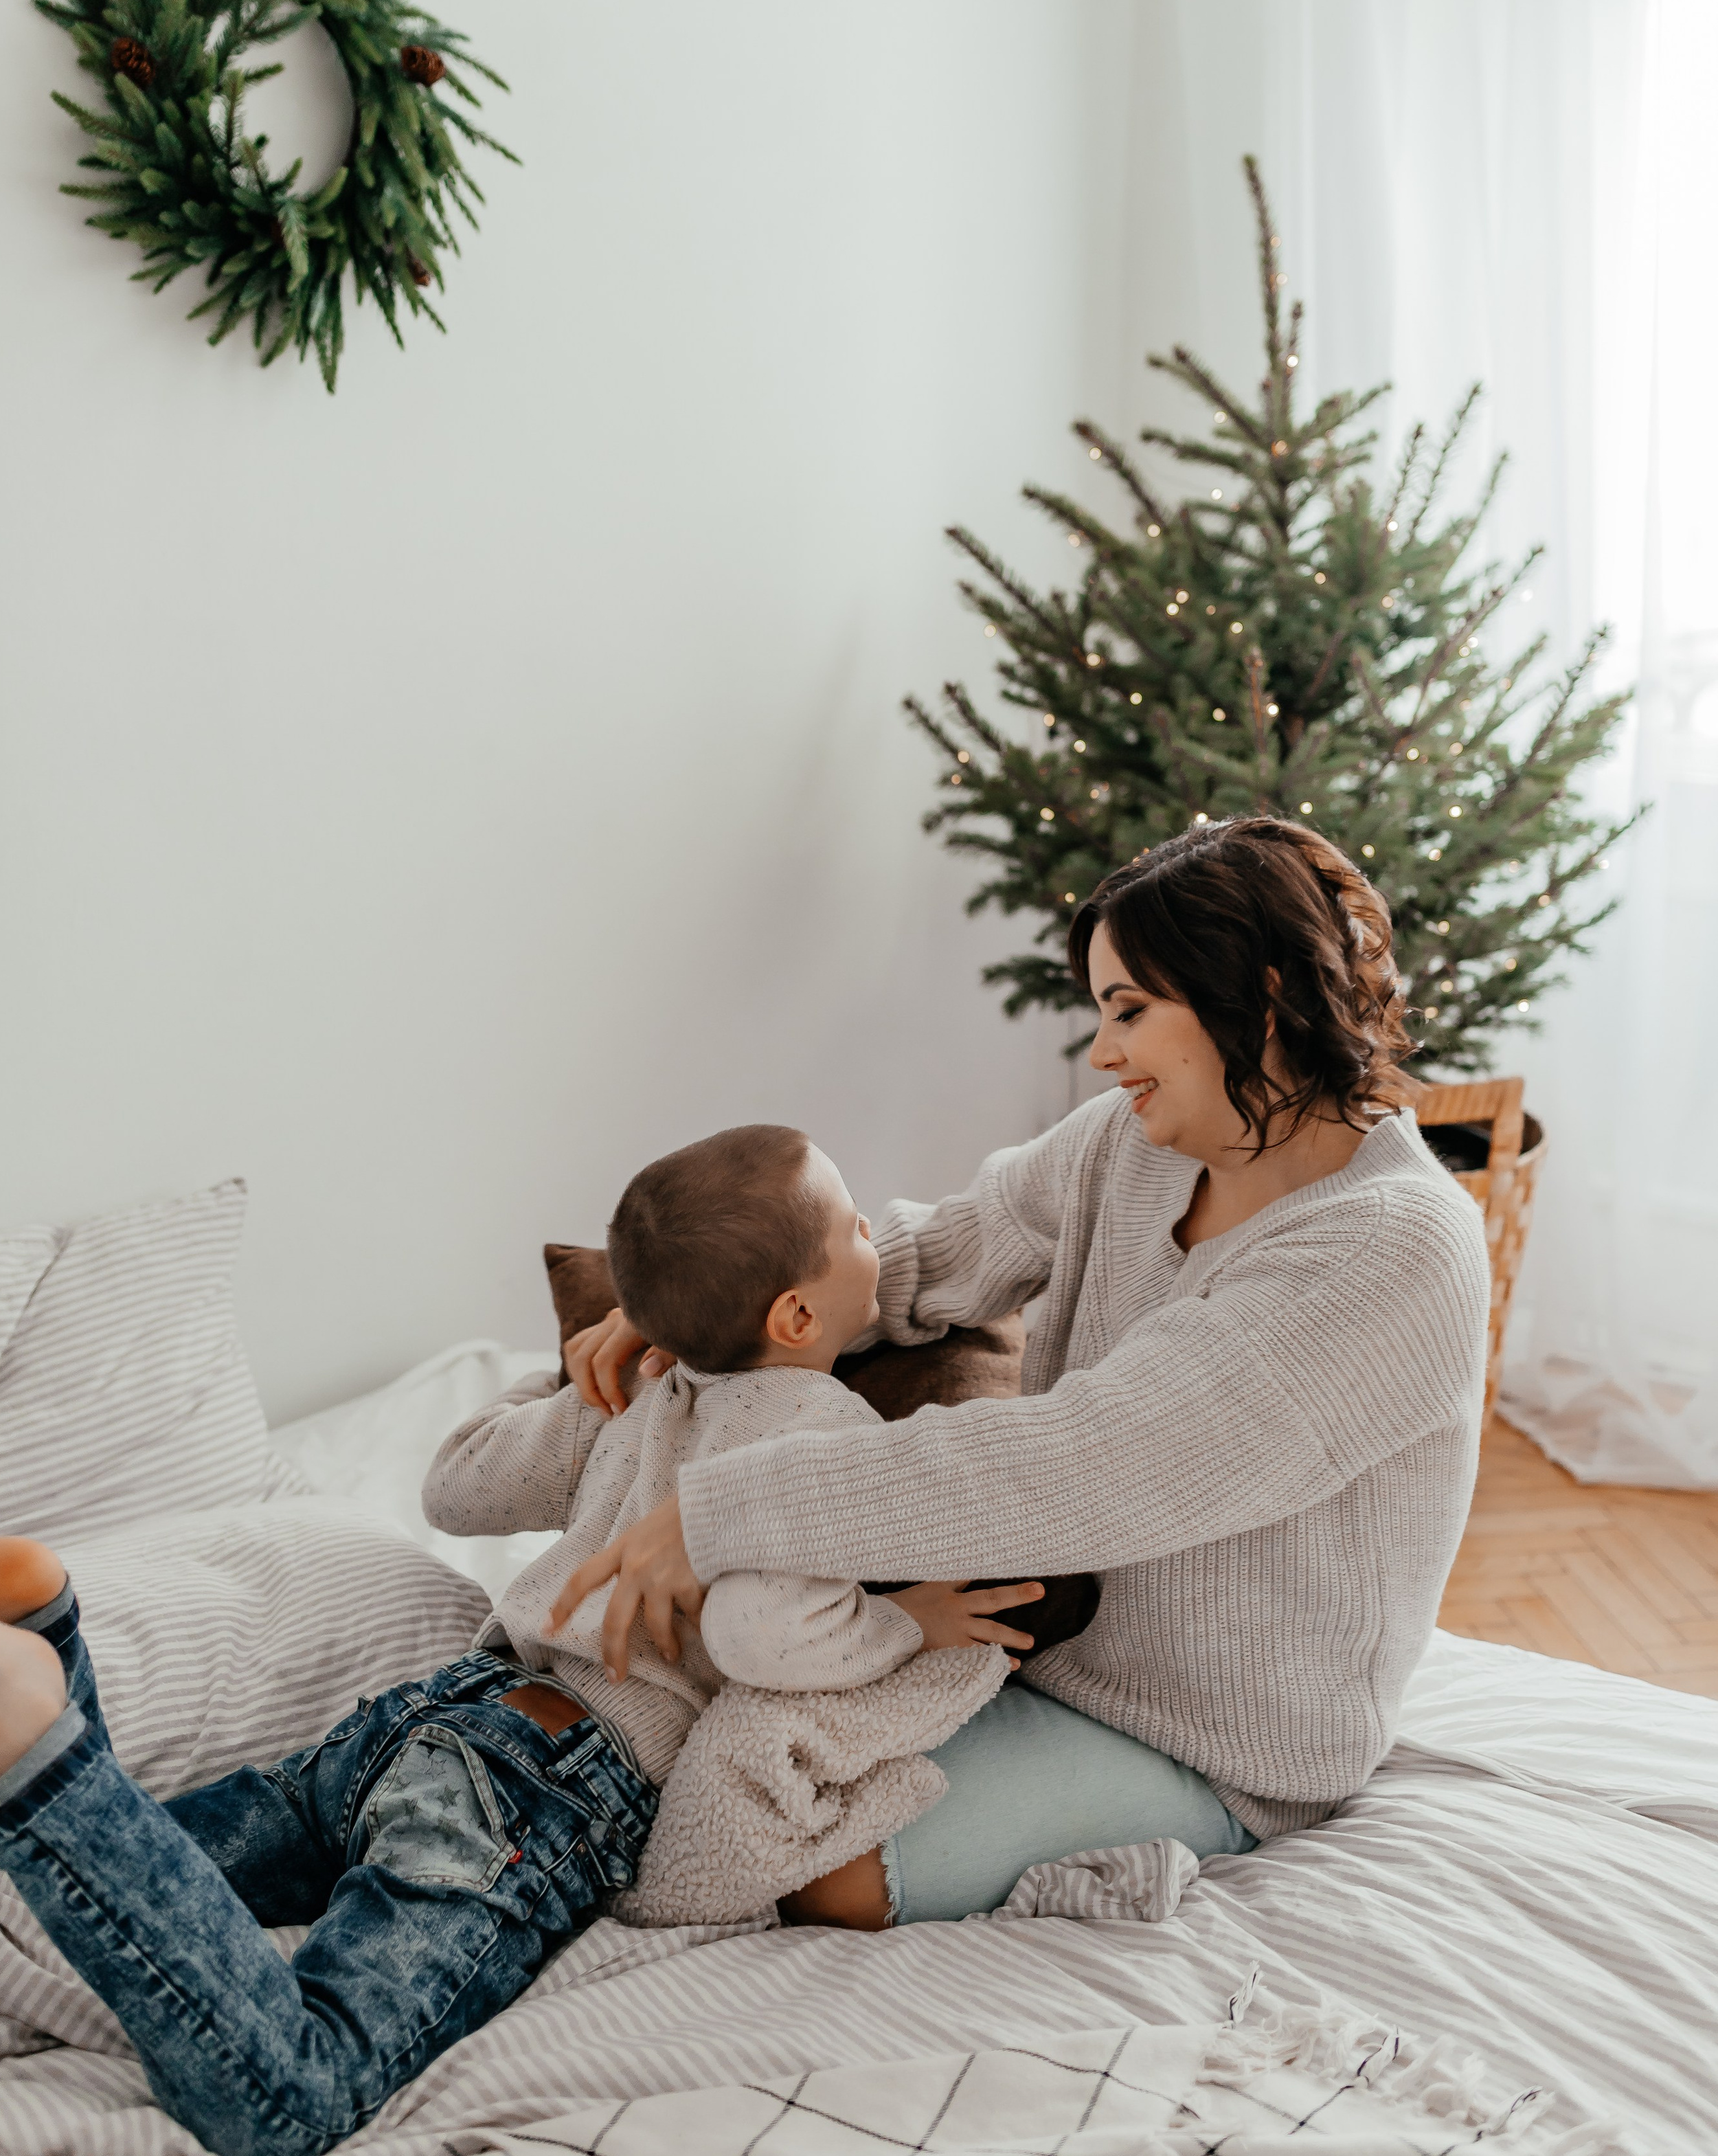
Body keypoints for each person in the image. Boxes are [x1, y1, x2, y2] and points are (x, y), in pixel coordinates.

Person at [0, 1126, 1032, 2156]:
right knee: (294, 2095)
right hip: (544, 1789)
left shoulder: (645, 1392)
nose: (873, 1237)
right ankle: (34, 1731)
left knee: (25, 1919)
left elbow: (459, 1487)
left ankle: (51, 1634)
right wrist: (909, 1623)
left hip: (420, 1721)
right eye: (855, 1225)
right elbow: (762, 1634)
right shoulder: (820, 1429)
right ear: (799, 1313)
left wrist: (568, 1388)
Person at [551, 817, 1493, 1925]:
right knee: (664, 1750)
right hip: (1021, 1657)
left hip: (1211, 1740)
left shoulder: (1391, 1249)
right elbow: (934, 1255)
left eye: (1131, 1012)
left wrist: (717, 1512)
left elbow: (1084, 1467)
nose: (1105, 1054)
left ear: (1264, 994)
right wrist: (700, 1317)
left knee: (799, 1864)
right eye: (1104, 1013)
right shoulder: (1131, 1145)